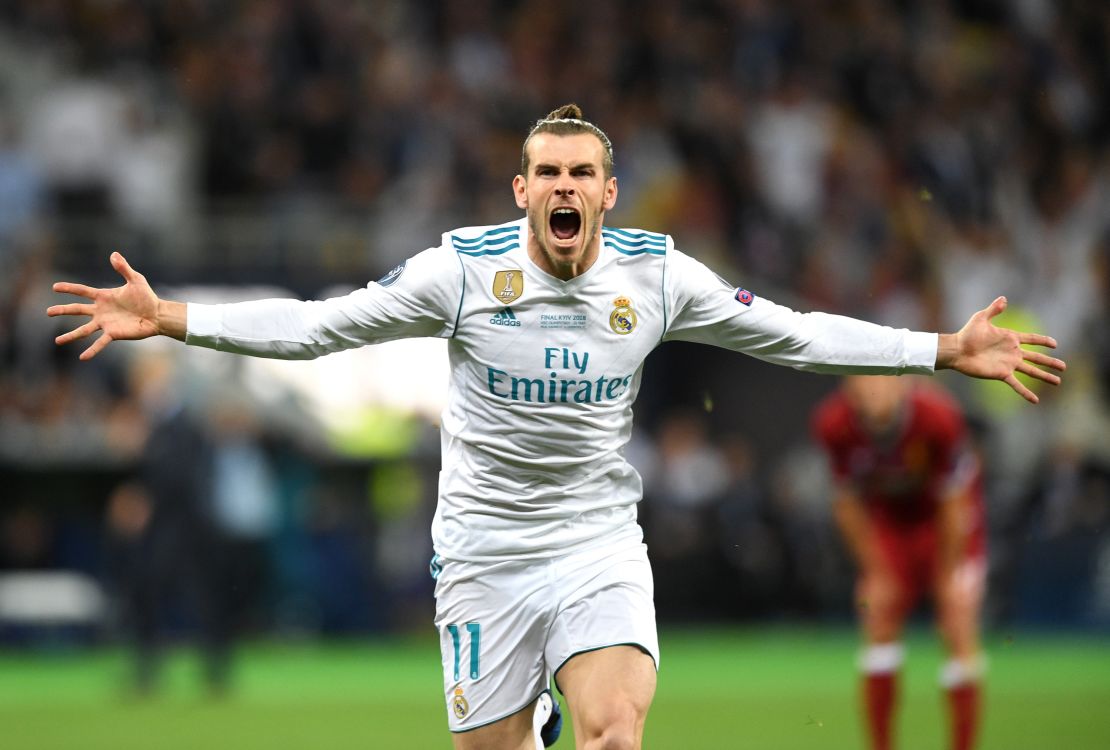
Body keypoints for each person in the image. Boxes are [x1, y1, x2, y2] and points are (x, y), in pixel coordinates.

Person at [48, 104, 1064, 750]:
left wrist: (941, 348)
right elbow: (319, 329)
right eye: (550, 173)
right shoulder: (464, 270)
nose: (567, 188)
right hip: (482, 555)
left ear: (608, 194)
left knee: (614, 735)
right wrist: (171, 318)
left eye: (584, 173)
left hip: (594, 545)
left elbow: (793, 337)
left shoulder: (657, 276)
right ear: (523, 190)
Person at [812, 376, 988, 750]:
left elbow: (955, 499)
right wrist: (876, 570)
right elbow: (846, 503)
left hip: (946, 525)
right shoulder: (833, 423)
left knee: (957, 620)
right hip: (889, 526)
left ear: (903, 383)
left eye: (881, 380)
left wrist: (948, 572)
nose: (873, 391)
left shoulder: (938, 417)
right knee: (877, 613)